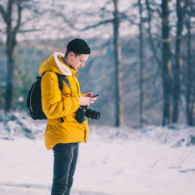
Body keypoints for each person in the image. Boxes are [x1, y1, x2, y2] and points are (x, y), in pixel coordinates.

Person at [39, 38, 97, 195]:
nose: (82, 65)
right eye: (81, 60)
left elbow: (69, 101)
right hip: (62, 134)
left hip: (73, 131)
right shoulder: (51, 76)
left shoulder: (70, 74)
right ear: (71, 55)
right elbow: (51, 109)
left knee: (68, 182)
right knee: (60, 184)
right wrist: (79, 101)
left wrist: (84, 99)